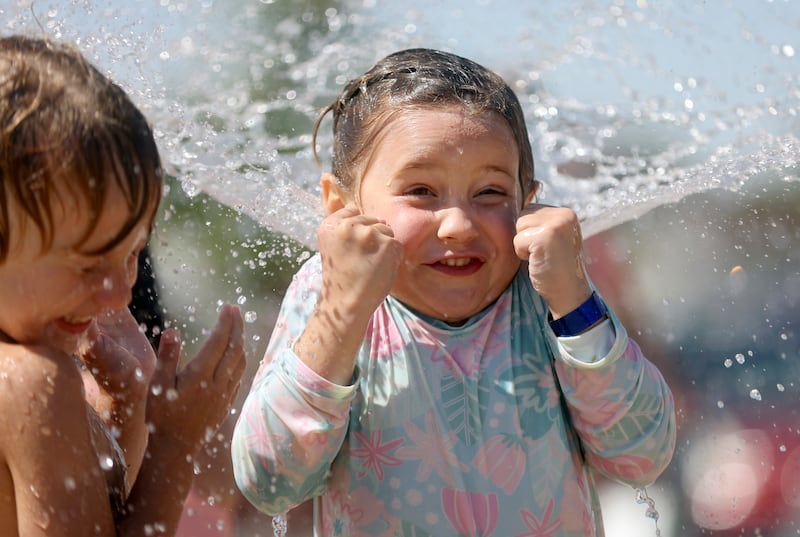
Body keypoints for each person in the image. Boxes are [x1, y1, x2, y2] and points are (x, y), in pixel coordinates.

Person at [231, 48, 676, 536]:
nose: (460, 226)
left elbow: (640, 456)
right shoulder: (328, 294)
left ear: (528, 202)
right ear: (342, 207)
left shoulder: (547, 295)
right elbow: (270, 480)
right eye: (421, 191)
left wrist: (575, 304)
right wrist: (342, 310)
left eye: (490, 193)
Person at [0, 35, 246, 536]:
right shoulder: (31, 382)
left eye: (133, 254)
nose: (118, 293)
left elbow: (105, 513)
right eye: (89, 264)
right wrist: (176, 445)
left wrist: (124, 409)